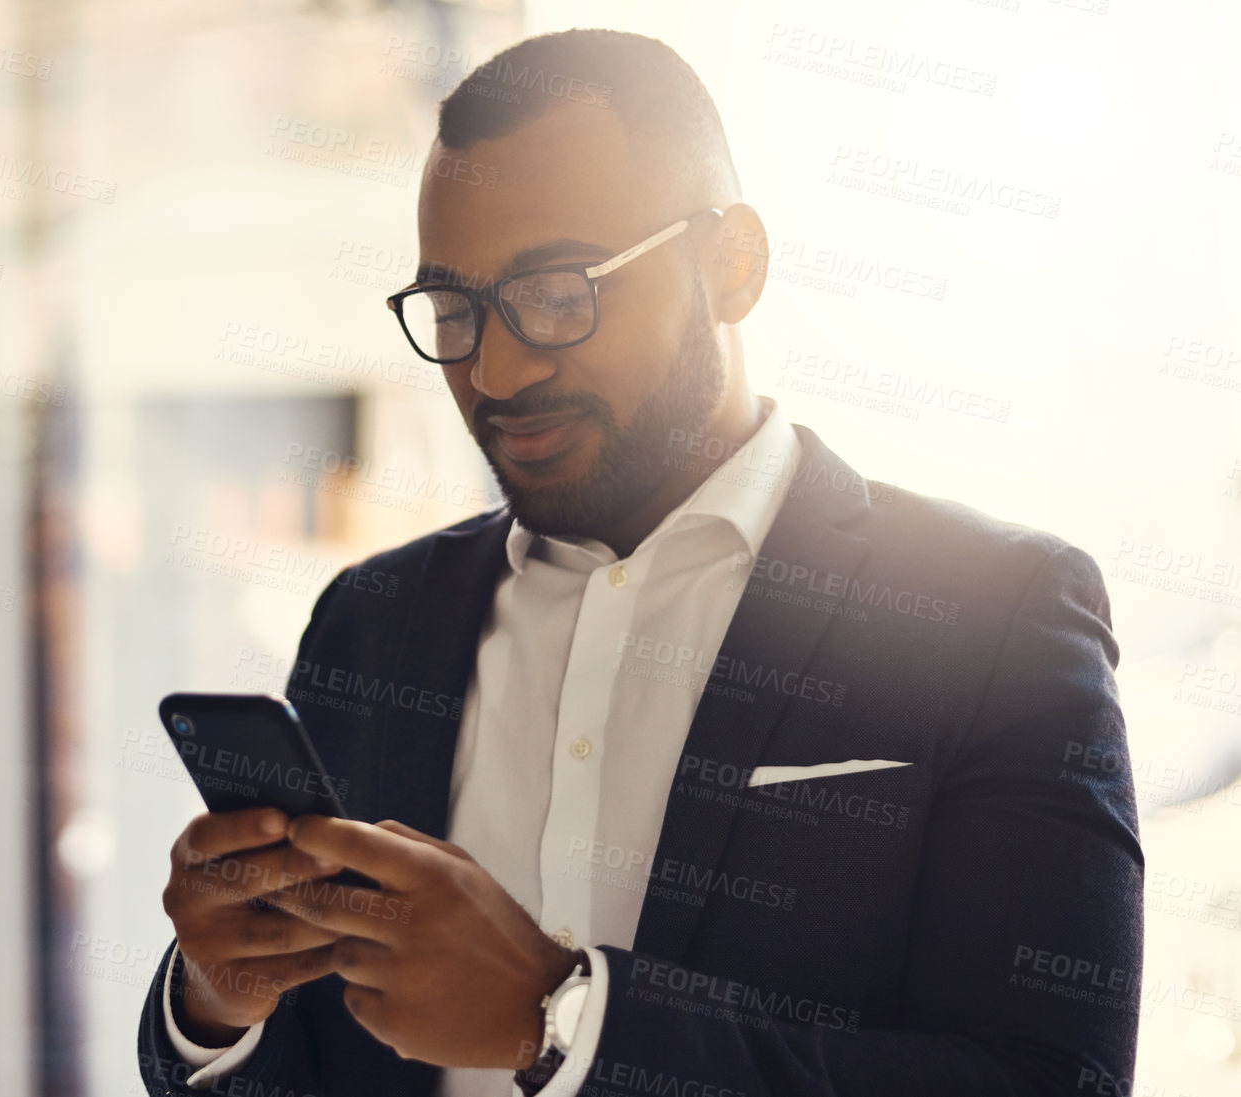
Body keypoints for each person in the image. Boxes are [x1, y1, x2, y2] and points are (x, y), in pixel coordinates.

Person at [138, 28, 1142, 1097]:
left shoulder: (990, 614)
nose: (497, 366)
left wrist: (563, 1021)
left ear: (730, 266)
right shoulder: (371, 616)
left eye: (560, 291)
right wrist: (214, 1001)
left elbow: (1048, 1077)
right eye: (451, 310)